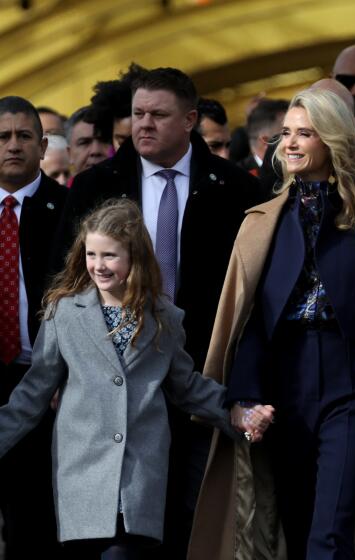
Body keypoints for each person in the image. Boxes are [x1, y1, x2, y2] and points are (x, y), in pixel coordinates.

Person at [189, 88, 355, 560]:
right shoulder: (262, 222)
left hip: (353, 383)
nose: (290, 144)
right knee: (293, 526)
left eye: (304, 133)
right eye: (285, 134)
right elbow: (249, 319)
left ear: (332, 140)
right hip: (284, 386)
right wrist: (244, 396)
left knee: (330, 534)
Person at [55, 66, 263, 559]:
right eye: (138, 113)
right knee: (125, 534)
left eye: (158, 115)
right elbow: (65, 285)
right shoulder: (95, 186)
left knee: (193, 523)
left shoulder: (235, 189)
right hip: (118, 386)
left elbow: (254, 293)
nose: (143, 124)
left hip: (204, 378)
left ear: (190, 119)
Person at [0, 199, 269, 559]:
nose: (98, 265)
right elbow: (33, 392)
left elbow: (186, 386)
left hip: (140, 475)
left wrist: (237, 412)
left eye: (109, 255)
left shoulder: (164, 317)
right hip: (81, 473)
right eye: (91, 255)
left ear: (134, 256)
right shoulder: (63, 312)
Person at [0, 95, 67, 559]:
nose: (13, 145)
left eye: (25, 136)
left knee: (33, 516)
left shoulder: (69, 208)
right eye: (3, 137)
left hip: (44, 380)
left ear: (43, 147)